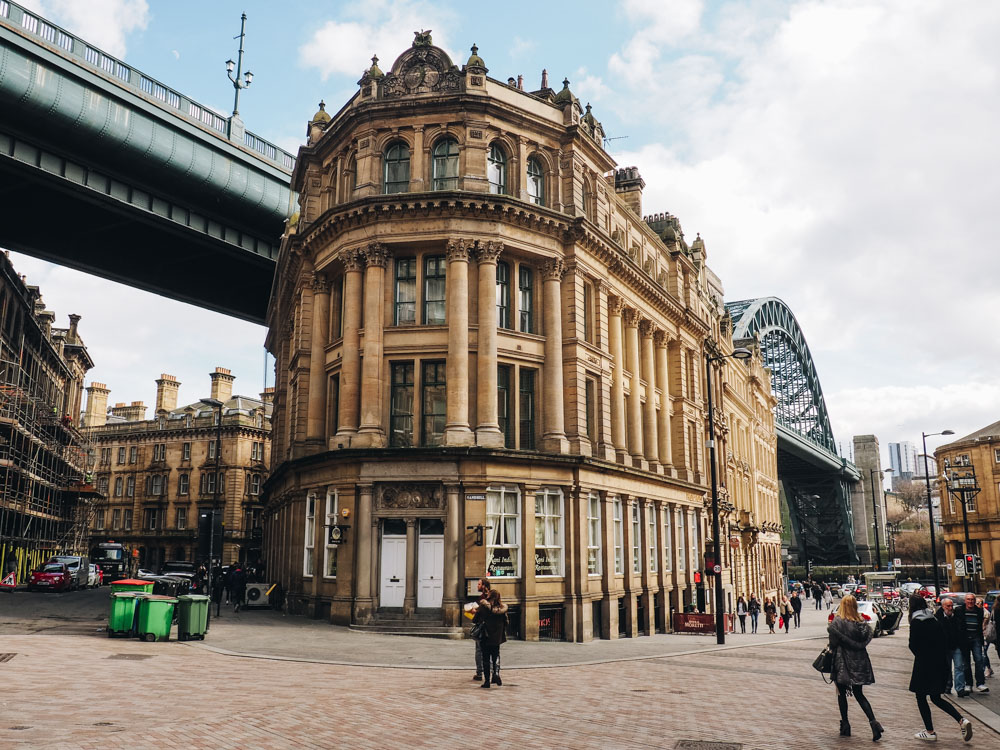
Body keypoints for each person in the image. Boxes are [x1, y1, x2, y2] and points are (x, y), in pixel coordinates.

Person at [908, 595, 973, 742]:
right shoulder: (934, 620)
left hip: (924, 664)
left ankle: (930, 731)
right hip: (940, 663)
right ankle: (962, 720)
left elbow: (913, 644)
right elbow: (944, 640)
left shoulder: (916, 621)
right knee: (936, 697)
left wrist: (921, 656)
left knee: (920, 696)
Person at [828, 594, 883, 741]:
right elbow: (865, 639)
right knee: (859, 694)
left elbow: (833, 643)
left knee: (841, 693)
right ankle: (874, 723)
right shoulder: (861, 623)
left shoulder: (837, 623)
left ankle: (845, 725)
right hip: (859, 661)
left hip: (842, 662)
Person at [955, 593, 989, 694]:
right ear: (965, 601)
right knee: (966, 663)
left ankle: (980, 683)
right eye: (968, 599)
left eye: (972, 600)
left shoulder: (979, 611)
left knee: (979, 660)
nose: (970, 602)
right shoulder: (959, 610)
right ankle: (968, 683)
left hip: (976, 638)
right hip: (964, 640)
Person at [475, 589, 508, 688]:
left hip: (486, 636)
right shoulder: (502, 609)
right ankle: (496, 674)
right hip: (497, 637)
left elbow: (475, 619)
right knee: (496, 655)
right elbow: (506, 622)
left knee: (485, 658)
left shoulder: (484, 607)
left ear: (489, 596)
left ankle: (487, 681)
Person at [935, 597, 964, 695]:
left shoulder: (956, 616)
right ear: (943, 606)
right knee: (947, 667)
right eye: (948, 606)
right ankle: (948, 686)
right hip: (945, 647)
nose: (950, 608)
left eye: (951, 606)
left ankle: (960, 688)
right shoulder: (937, 617)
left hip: (956, 645)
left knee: (959, 666)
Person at [471, 577, 494, 681]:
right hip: (492, 628)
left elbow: (479, 615)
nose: (478, 586)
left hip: (482, 627)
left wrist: (475, 612)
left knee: (479, 650)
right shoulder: (494, 597)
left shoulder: (482, 599)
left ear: (484, 586)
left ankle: (480, 673)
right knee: (492, 651)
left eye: (479, 584)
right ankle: (493, 673)